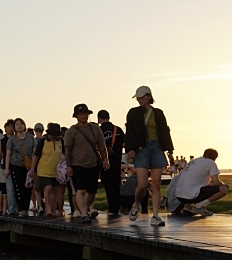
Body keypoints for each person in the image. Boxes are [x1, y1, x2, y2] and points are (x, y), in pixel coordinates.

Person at [125, 86, 174, 226]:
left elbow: (165, 130)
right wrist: (130, 148)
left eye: (142, 97)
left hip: (157, 147)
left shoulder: (158, 113)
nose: (140, 100)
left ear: (149, 96)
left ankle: (156, 215)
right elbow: (130, 130)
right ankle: (135, 204)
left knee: (156, 184)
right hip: (142, 148)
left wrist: (169, 149)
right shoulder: (133, 113)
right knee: (141, 184)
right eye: (138, 98)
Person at [64, 103, 109, 223]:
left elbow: (101, 145)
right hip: (77, 164)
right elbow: (67, 150)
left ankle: (86, 208)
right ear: (76, 116)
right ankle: (83, 213)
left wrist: (105, 159)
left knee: (92, 192)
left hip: (93, 164)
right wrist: (68, 166)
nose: (83, 116)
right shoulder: (71, 131)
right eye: (80, 114)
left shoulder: (95, 129)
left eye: (85, 113)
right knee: (81, 190)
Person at [171, 149, 227, 216]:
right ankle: (199, 207)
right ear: (215, 158)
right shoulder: (210, 162)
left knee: (196, 187)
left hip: (179, 196)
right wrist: (224, 185)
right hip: (191, 195)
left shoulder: (193, 161)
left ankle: (188, 206)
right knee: (223, 190)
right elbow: (216, 182)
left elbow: (197, 182)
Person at [30, 122, 65, 217]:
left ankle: (53, 209)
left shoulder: (60, 142)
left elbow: (64, 154)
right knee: (48, 187)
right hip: (43, 170)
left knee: (55, 189)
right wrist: (32, 169)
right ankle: (48, 209)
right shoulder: (42, 142)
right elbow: (36, 156)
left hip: (56, 170)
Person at [4, 118, 35, 216]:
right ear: (14, 127)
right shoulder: (12, 139)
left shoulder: (30, 138)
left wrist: (34, 167)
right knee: (18, 188)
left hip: (28, 166)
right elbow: (8, 154)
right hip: (15, 165)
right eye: (17, 124)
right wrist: (7, 168)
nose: (19, 126)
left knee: (28, 187)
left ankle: (26, 207)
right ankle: (21, 208)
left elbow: (35, 152)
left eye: (21, 124)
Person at [97, 109, 125, 216]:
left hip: (104, 162)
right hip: (116, 161)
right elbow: (123, 144)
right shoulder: (118, 130)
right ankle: (117, 206)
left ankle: (112, 207)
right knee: (116, 184)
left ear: (99, 119)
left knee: (108, 185)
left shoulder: (98, 130)